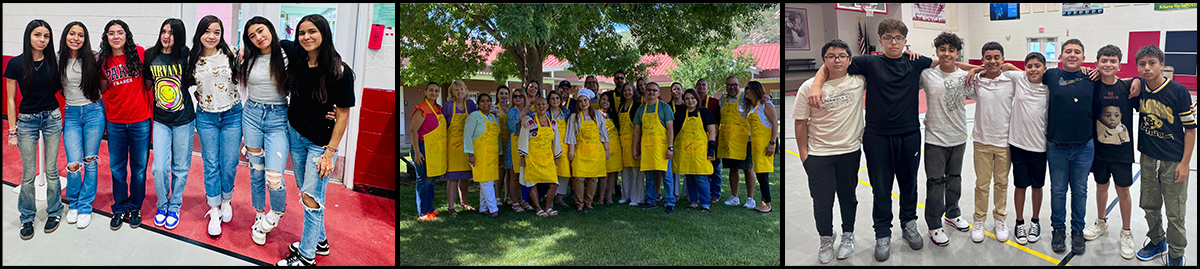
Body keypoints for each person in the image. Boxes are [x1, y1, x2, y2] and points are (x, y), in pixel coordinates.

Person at [805, 19, 990, 261]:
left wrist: (974, 69)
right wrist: (816, 85)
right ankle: (882, 234)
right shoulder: (869, 62)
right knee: (881, 188)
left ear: (905, 40)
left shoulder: (916, 62)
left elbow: (948, 62)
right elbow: (831, 64)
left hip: (909, 135)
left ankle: (909, 225)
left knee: (908, 185)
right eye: (888, 37)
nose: (894, 42)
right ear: (880, 41)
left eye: (898, 38)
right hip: (877, 137)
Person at [278, 14, 354, 266]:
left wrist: (330, 152)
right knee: (307, 192)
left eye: (312, 32)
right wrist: (245, 49)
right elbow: (272, 39)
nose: (306, 37)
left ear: (324, 33)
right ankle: (319, 242)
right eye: (301, 33)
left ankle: (306, 256)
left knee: (311, 198)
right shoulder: (298, 57)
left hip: (319, 144)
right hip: (296, 135)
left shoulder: (339, 71)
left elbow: (343, 114)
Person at [794, 39, 864, 263]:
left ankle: (848, 235)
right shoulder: (808, 87)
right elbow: (800, 123)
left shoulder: (859, 81)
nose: (837, 59)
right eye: (831, 56)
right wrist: (805, 157)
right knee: (822, 202)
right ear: (824, 60)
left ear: (850, 60)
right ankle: (825, 238)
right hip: (818, 154)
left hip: (850, 151)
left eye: (842, 55)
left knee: (848, 197)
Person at [1131, 45, 1193, 266]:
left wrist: (1185, 162)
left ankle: (1176, 254)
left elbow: (1190, 129)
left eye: (1152, 63)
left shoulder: (1178, 91)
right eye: (1142, 64)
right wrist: (1135, 81)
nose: (1147, 68)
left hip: (1173, 160)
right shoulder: (1139, 89)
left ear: (1162, 64)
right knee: (1149, 205)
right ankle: (1158, 242)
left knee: (1175, 211)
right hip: (1148, 158)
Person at [238, 16, 294, 245]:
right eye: (252, 36)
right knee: (256, 170)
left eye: (261, 31)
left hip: (278, 117)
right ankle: (260, 213)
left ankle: (276, 212)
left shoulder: (287, 51)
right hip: (251, 114)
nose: (258, 38)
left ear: (270, 29)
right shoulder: (249, 57)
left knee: (274, 177)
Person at [1081, 45, 1141, 260]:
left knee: (1123, 190)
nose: (1108, 64)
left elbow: (1148, 95)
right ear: (1097, 63)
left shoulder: (1128, 89)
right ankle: (1101, 222)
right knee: (1101, 186)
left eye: (1112, 61)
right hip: (1098, 151)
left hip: (1122, 152)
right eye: (1104, 60)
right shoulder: (1092, 86)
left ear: (1119, 65)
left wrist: (1138, 79)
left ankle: (1126, 232)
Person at [7, 19, 64, 239]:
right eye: (37, 35)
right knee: (29, 174)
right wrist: (12, 130)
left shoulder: (54, 62)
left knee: (51, 171)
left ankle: (55, 212)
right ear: (28, 36)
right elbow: (11, 99)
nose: (42, 40)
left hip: (52, 117)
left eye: (46, 36)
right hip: (27, 121)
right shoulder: (16, 63)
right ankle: (27, 217)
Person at [186, 15, 242, 238]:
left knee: (229, 162)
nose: (211, 36)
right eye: (207, 31)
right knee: (211, 163)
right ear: (200, 33)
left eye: (216, 32)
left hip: (232, 114)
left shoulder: (231, 56)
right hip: (207, 117)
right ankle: (214, 207)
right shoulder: (192, 59)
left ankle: (227, 199)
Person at [1040, 38, 1095, 255]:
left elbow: (1118, 80)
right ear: (1060, 56)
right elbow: (1023, 71)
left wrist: (1136, 79)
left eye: (1077, 52)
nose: (1072, 55)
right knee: (1058, 191)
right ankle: (1058, 230)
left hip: (1084, 147)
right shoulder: (1051, 75)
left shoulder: (1092, 78)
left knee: (1080, 191)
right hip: (1057, 146)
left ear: (1083, 57)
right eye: (1068, 51)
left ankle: (1078, 231)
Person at [918, 32, 972, 247]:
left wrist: (974, 69)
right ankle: (933, 223)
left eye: (951, 50)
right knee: (935, 182)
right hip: (935, 138)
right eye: (942, 50)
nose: (946, 54)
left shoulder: (965, 76)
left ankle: (953, 213)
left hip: (958, 136)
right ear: (937, 51)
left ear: (958, 53)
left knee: (955, 177)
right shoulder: (927, 75)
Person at [96, 19, 150, 231]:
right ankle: (119, 207)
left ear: (126, 35)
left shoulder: (139, 53)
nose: (116, 36)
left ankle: (135, 207)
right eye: (111, 33)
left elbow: (147, 81)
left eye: (120, 32)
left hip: (140, 120)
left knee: (139, 168)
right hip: (116, 121)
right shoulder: (103, 61)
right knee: (117, 168)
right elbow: (102, 88)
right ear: (106, 37)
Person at [964, 42, 1017, 244]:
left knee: (1002, 183)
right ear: (982, 59)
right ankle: (979, 220)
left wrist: (1011, 67)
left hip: (1004, 141)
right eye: (988, 57)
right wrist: (976, 69)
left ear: (1003, 59)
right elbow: (956, 67)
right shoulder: (977, 79)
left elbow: (1033, 76)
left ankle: (1000, 219)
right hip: (981, 140)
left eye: (997, 57)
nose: (992, 61)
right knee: (982, 184)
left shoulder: (1011, 79)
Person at [145, 18, 194, 231]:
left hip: (184, 118)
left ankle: (175, 205)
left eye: (172, 33)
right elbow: (147, 83)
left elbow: (195, 78)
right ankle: (162, 204)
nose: (166, 36)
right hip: (161, 119)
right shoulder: (150, 55)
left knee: (180, 167)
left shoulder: (186, 54)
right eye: (164, 31)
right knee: (159, 168)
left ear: (179, 36)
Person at [56, 21, 104, 229]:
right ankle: (73, 203)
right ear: (65, 36)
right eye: (72, 34)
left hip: (94, 111)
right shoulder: (57, 59)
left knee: (90, 160)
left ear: (85, 38)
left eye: (80, 35)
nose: (76, 38)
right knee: (73, 163)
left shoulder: (93, 58)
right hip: (72, 113)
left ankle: (85, 206)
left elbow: (104, 83)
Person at [1005, 52, 1051, 246]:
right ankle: (1019, 222)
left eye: (1037, 66)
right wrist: (974, 69)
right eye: (1029, 66)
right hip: (1018, 144)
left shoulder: (1050, 86)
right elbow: (1004, 65)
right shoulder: (1019, 78)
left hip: (1039, 146)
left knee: (1037, 186)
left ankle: (1035, 221)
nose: (1033, 69)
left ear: (1044, 69)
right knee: (1020, 185)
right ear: (1025, 68)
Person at [633, 82, 676, 213]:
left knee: (667, 177)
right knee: (650, 177)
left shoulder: (665, 107)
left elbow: (670, 129)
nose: (651, 92)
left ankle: (669, 202)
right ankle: (651, 201)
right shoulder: (641, 109)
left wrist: (670, 147)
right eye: (649, 90)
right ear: (645, 92)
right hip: (647, 148)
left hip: (662, 149)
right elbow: (637, 131)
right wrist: (635, 148)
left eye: (654, 90)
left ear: (658, 93)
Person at [518, 96, 563, 217]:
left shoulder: (553, 123)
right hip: (532, 158)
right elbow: (523, 139)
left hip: (548, 158)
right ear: (535, 107)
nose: (541, 106)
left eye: (543, 104)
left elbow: (556, 141)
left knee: (553, 184)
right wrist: (522, 157)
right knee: (532, 183)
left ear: (547, 106)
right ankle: (538, 208)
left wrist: (557, 156)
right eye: (538, 104)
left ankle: (548, 206)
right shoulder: (528, 121)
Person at [718, 75, 758, 209]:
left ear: (739, 85)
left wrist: (767, 97)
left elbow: (759, 101)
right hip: (728, 140)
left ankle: (750, 198)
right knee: (733, 168)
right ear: (725, 87)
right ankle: (734, 196)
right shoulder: (722, 99)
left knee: (748, 168)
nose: (732, 88)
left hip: (745, 140)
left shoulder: (745, 97)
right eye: (729, 85)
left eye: (734, 84)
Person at [566, 89, 609, 211]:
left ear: (589, 101)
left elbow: (603, 134)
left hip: (596, 151)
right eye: (580, 101)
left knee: (593, 178)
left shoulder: (598, 115)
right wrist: (571, 152)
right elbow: (571, 135)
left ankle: (588, 202)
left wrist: (606, 149)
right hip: (580, 151)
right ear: (578, 103)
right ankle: (579, 203)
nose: (583, 103)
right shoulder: (574, 117)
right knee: (578, 178)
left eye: (585, 100)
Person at [673, 89, 716, 211]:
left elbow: (712, 130)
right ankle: (693, 201)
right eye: (687, 99)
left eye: (692, 98)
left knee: (701, 178)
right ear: (684, 100)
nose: (690, 101)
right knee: (689, 177)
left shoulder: (704, 112)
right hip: (684, 151)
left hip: (700, 152)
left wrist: (711, 148)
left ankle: (705, 203)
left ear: (697, 99)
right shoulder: (680, 114)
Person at [443, 80, 477, 215]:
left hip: (467, 146)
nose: (460, 92)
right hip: (452, 147)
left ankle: (464, 202)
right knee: (453, 177)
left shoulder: (471, 105)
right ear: (452, 92)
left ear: (466, 91)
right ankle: (450, 206)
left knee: (465, 176)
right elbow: (443, 125)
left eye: (462, 89)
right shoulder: (448, 106)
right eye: (456, 90)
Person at [742, 81, 776, 214]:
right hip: (756, 145)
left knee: (763, 175)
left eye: (747, 89)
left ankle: (767, 203)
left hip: (765, 144)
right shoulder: (752, 106)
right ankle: (764, 202)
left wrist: (772, 144)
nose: (745, 91)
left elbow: (774, 123)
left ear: (755, 90)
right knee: (760, 173)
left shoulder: (765, 104)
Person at [412, 83, 445, 221]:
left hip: (434, 149)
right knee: (423, 180)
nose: (434, 93)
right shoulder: (422, 109)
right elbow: (413, 130)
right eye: (431, 90)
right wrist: (417, 152)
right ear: (425, 91)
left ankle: (430, 208)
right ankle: (423, 212)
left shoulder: (438, 108)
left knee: (431, 179)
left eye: (436, 91)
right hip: (422, 147)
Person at [465, 93, 502, 218]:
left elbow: (498, 137)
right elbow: (467, 135)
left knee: (487, 181)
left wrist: (500, 153)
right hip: (479, 154)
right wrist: (470, 154)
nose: (486, 103)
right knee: (486, 182)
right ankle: (493, 209)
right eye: (482, 101)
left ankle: (483, 207)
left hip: (492, 155)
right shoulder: (474, 116)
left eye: (488, 101)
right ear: (478, 104)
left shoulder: (493, 117)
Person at [617, 83, 646, 206]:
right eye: (625, 91)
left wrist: (637, 145)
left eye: (629, 90)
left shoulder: (637, 106)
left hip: (634, 142)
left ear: (634, 92)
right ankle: (626, 195)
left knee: (636, 172)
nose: (627, 93)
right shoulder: (621, 106)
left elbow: (639, 127)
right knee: (625, 171)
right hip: (623, 143)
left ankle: (637, 197)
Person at [696, 78, 723, 204]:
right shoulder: (693, 102)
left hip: (712, 139)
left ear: (707, 88)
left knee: (714, 167)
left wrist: (715, 137)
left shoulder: (713, 102)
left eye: (703, 85)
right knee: (700, 167)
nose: (701, 87)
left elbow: (719, 120)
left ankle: (715, 193)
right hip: (697, 140)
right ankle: (702, 193)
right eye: (699, 85)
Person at [506, 88, 534, 212]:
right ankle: (515, 202)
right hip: (514, 145)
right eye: (515, 96)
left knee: (526, 174)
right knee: (514, 175)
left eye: (520, 96)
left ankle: (525, 200)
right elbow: (516, 124)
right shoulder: (512, 111)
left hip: (528, 145)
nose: (518, 98)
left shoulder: (531, 112)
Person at [547, 90, 573, 208]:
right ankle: (550, 199)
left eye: (557, 98)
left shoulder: (566, 112)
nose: (555, 101)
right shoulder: (547, 113)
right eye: (552, 98)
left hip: (565, 145)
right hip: (550, 146)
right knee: (552, 173)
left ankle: (560, 198)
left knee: (564, 173)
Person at [598, 90, 623, 205]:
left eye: (608, 100)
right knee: (604, 174)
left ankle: (609, 198)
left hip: (615, 147)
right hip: (602, 147)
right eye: (603, 99)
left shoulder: (614, 115)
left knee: (613, 173)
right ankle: (600, 198)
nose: (605, 102)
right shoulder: (595, 114)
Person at [495, 86, 513, 206]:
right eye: (501, 93)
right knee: (500, 171)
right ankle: (497, 196)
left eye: (506, 93)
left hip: (510, 142)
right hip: (499, 142)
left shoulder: (511, 109)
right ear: (497, 95)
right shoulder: (494, 109)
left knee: (509, 172)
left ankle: (507, 195)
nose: (504, 96)